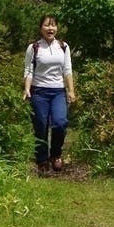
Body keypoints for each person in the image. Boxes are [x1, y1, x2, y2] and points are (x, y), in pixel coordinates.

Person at [23, 15, 76, 174]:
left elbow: (67, 70)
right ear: (41, 28)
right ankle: (42, 160)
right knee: (41, 126)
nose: (50, 28)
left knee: (60, 123)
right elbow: (28, 70)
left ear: (57, 28)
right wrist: (26, 88)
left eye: (53, 26)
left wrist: (71, 90)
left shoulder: (63, 46)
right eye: (47, 25)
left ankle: (55, 155)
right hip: (39, 91)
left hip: (58, 91)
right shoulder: (33, 48)